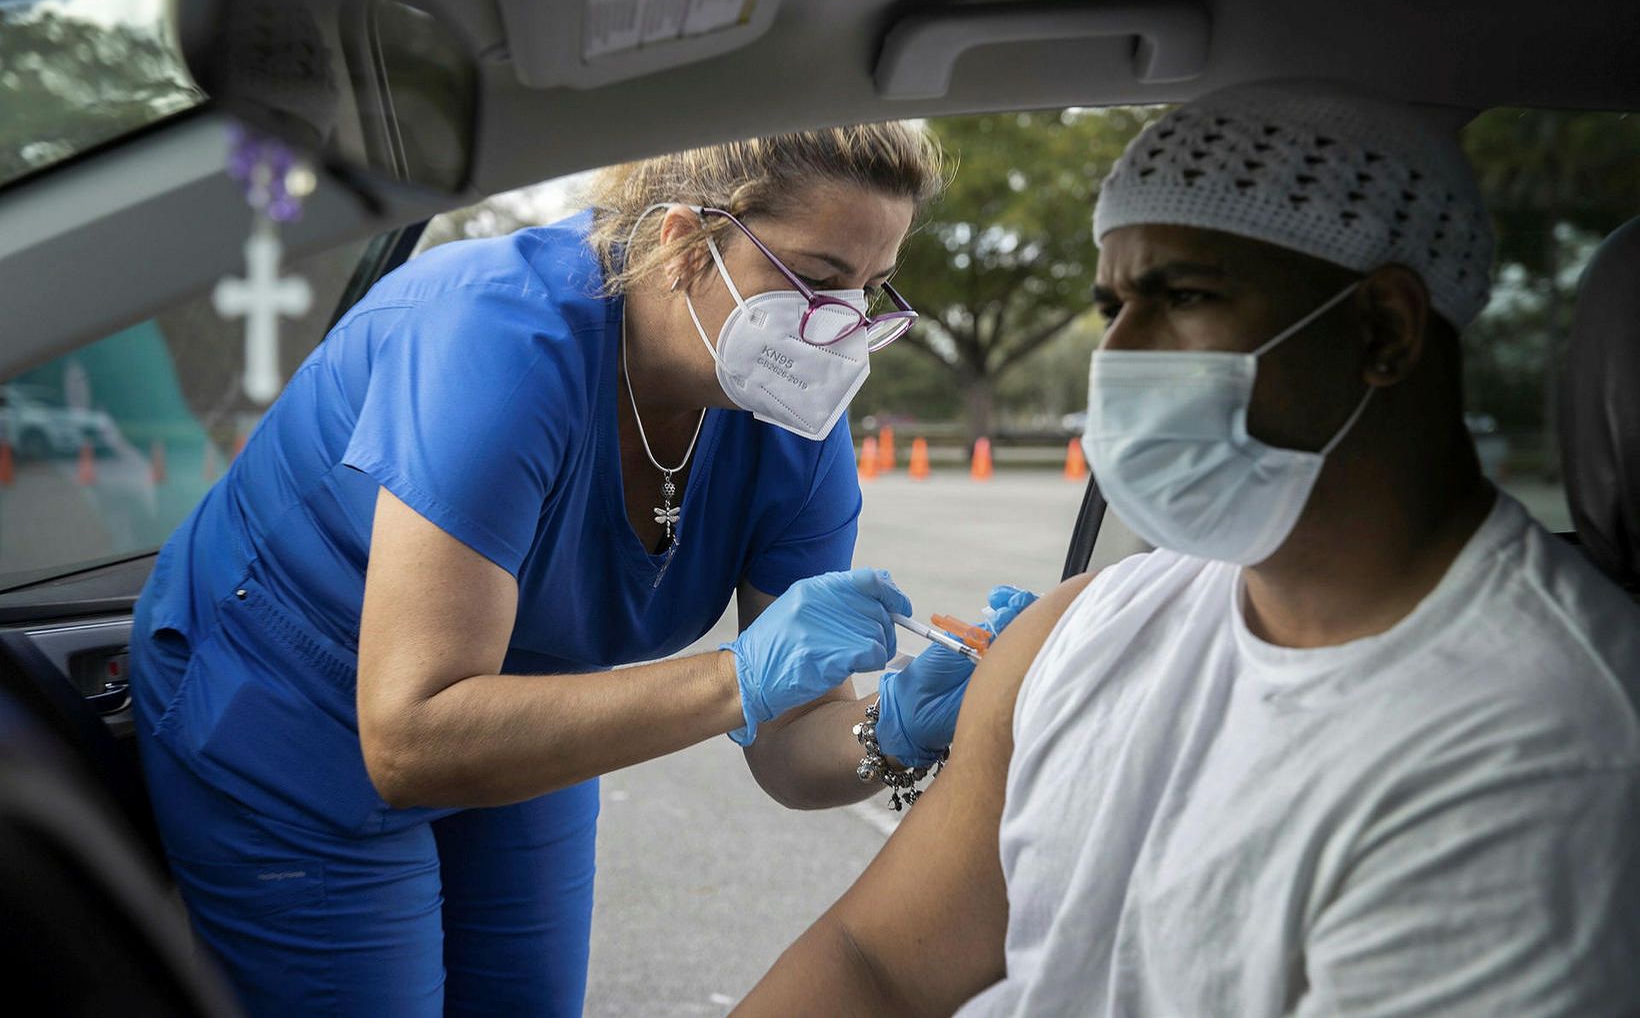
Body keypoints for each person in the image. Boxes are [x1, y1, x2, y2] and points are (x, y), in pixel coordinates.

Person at [738, 83, 1640, 1016]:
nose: (1119, 350)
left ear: (1384, 327)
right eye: (1113, 302)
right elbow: (871, 963)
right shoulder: (1094, 626)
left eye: (1185, 295)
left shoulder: (1541, 757)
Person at [130, 124, 1013, 1015]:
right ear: (683, 242)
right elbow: (410, 738)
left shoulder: (791, 425)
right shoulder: (501, 339)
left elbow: (790, 749)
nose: (843, 330)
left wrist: (902, 725)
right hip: (290, 701)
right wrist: (735, 678)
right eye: (818, 281)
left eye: (868, 291)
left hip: (527, 690)